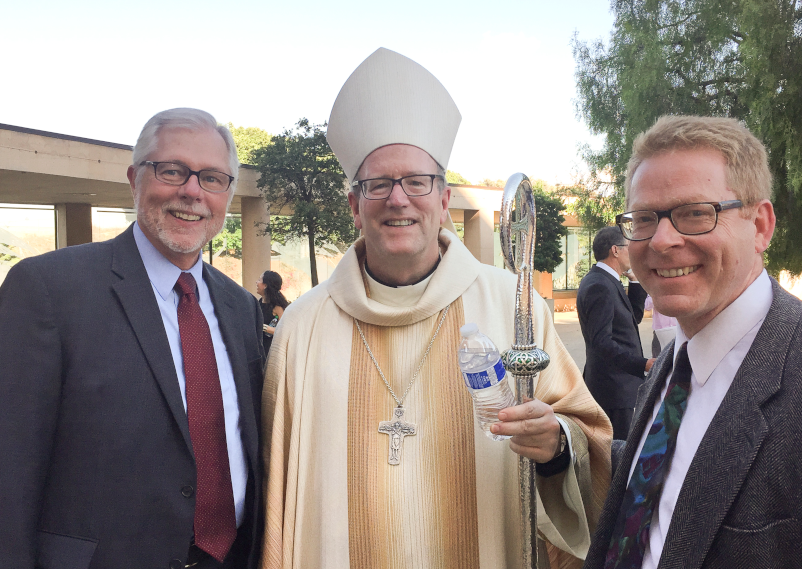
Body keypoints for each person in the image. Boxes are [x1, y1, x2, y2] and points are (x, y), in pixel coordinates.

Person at [261, 48, 612, 569]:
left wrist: (556, 445)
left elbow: (585, 437)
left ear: (444, 200)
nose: (398, 199)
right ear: (355, 206)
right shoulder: (304, 325)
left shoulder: (513, 306)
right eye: (378, 184)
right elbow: (280, 491)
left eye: (417, 182)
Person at [584, 115, 802, 569]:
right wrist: (564, 445)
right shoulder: (676, 361)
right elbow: (669, 477)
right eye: (644, 219)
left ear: (761, 225)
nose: (662, 240)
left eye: (695, 213)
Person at [0, 109, 266, 569]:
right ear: (134, 178)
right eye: (172, 170)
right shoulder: (47, 291)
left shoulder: (241, 308)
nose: (192, 191)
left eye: (212, 178)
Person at [577, 226, 655, 441]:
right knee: (617, 460)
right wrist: (643, 364)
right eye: (629, 247)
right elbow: (601, 342)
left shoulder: (606, 280)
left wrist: (635, 281)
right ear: (615, 250)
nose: (633, 252)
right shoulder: (599, 285)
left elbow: (632, 319)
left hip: (619, 389)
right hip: (613, 391)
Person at [257, 270, 290, 356]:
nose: (256, 282)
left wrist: (264, 328)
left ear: (265, 285)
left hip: (271, 351)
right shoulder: (259, 302)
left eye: (259, 280)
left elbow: (285, 331)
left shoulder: (278, 306)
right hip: (259, 348)